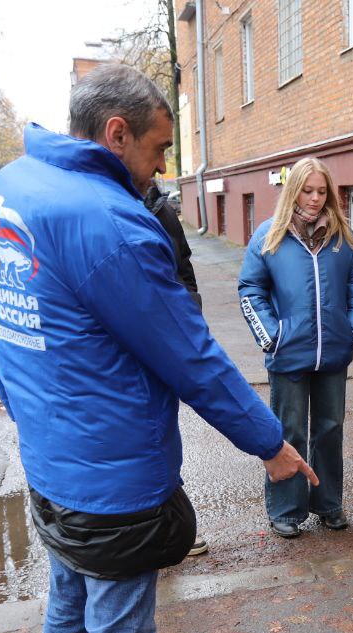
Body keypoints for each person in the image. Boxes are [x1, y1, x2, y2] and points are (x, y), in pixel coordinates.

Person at [0, 64, 315, 633]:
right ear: (116, 133)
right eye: (159, 151)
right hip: (115, 476)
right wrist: (271, 446)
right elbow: (190, 359)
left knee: (68, 604)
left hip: (53, 460)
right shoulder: (112, 224)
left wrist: (36, 422)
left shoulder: (11, 187)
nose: (163, 167)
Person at [237, 157, 353, 539]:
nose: (315, 199)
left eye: (322, 191)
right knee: (289, 431)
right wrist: (271, 335)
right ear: (293, 190)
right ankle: (286, 509)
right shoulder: (269, 236)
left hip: (333, 353)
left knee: (330, 429)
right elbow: (251, 289)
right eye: (307, 190)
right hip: (288, 353)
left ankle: (328, 503)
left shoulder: (342, 238)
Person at [144, 180, 208, 557]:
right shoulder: (100, 207)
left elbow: (183, 268)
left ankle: (169, 530)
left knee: (165, 432)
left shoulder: (162, 209)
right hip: (127, 346)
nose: (161, 167)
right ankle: (148, 534)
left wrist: (188, 316)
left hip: (168, 340)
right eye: (157, 149)